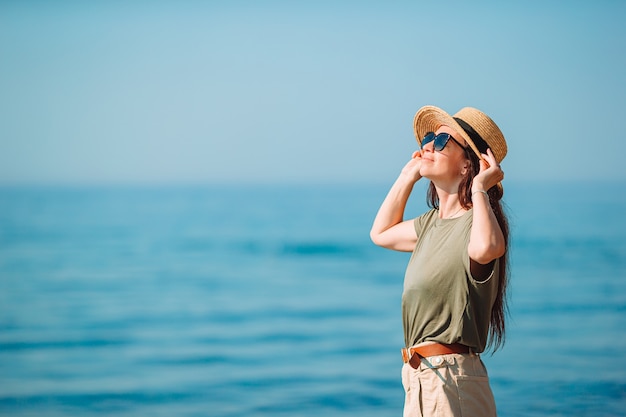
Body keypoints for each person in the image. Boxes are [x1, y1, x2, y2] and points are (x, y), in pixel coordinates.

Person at [370, 105, 510, 417]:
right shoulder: (429, 225)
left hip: (451, 382)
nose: (429, 144)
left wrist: (479, 190)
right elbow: (380, 233)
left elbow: (488, 246)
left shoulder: (476, 223)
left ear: (466, 165)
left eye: (443, 141)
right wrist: (408, 175)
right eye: (429, 138)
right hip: (421, 380)